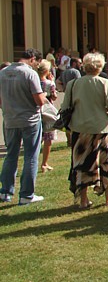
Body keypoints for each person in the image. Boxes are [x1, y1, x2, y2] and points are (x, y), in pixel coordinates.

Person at [62, 52, 108, 209]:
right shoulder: (103, 82)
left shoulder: (72, 84)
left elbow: (65, 108)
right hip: (100, 129)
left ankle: (83, 200)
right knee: (107, 163)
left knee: (81, 165)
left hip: (79, 130)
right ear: (100, 67)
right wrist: (105, 117)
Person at [0, 48, 48, 204]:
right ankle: (26, 194)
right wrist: (44, 95)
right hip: (30, 120)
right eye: (37, 63)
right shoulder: (29, 73)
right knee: (31, 156)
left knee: (11, 155)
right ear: (33, 59)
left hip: (10, 119)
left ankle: (6, 192)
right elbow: (39, 100)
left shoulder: (3, 72)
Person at [37, 59, 58, 173]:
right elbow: (54, 96)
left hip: (36, 111)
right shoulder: (49, 83)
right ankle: (44, 163)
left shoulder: (34, 81)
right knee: (48, 138)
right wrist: (52, 81)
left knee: (37, 138)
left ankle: (34, 161)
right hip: (47, 111)